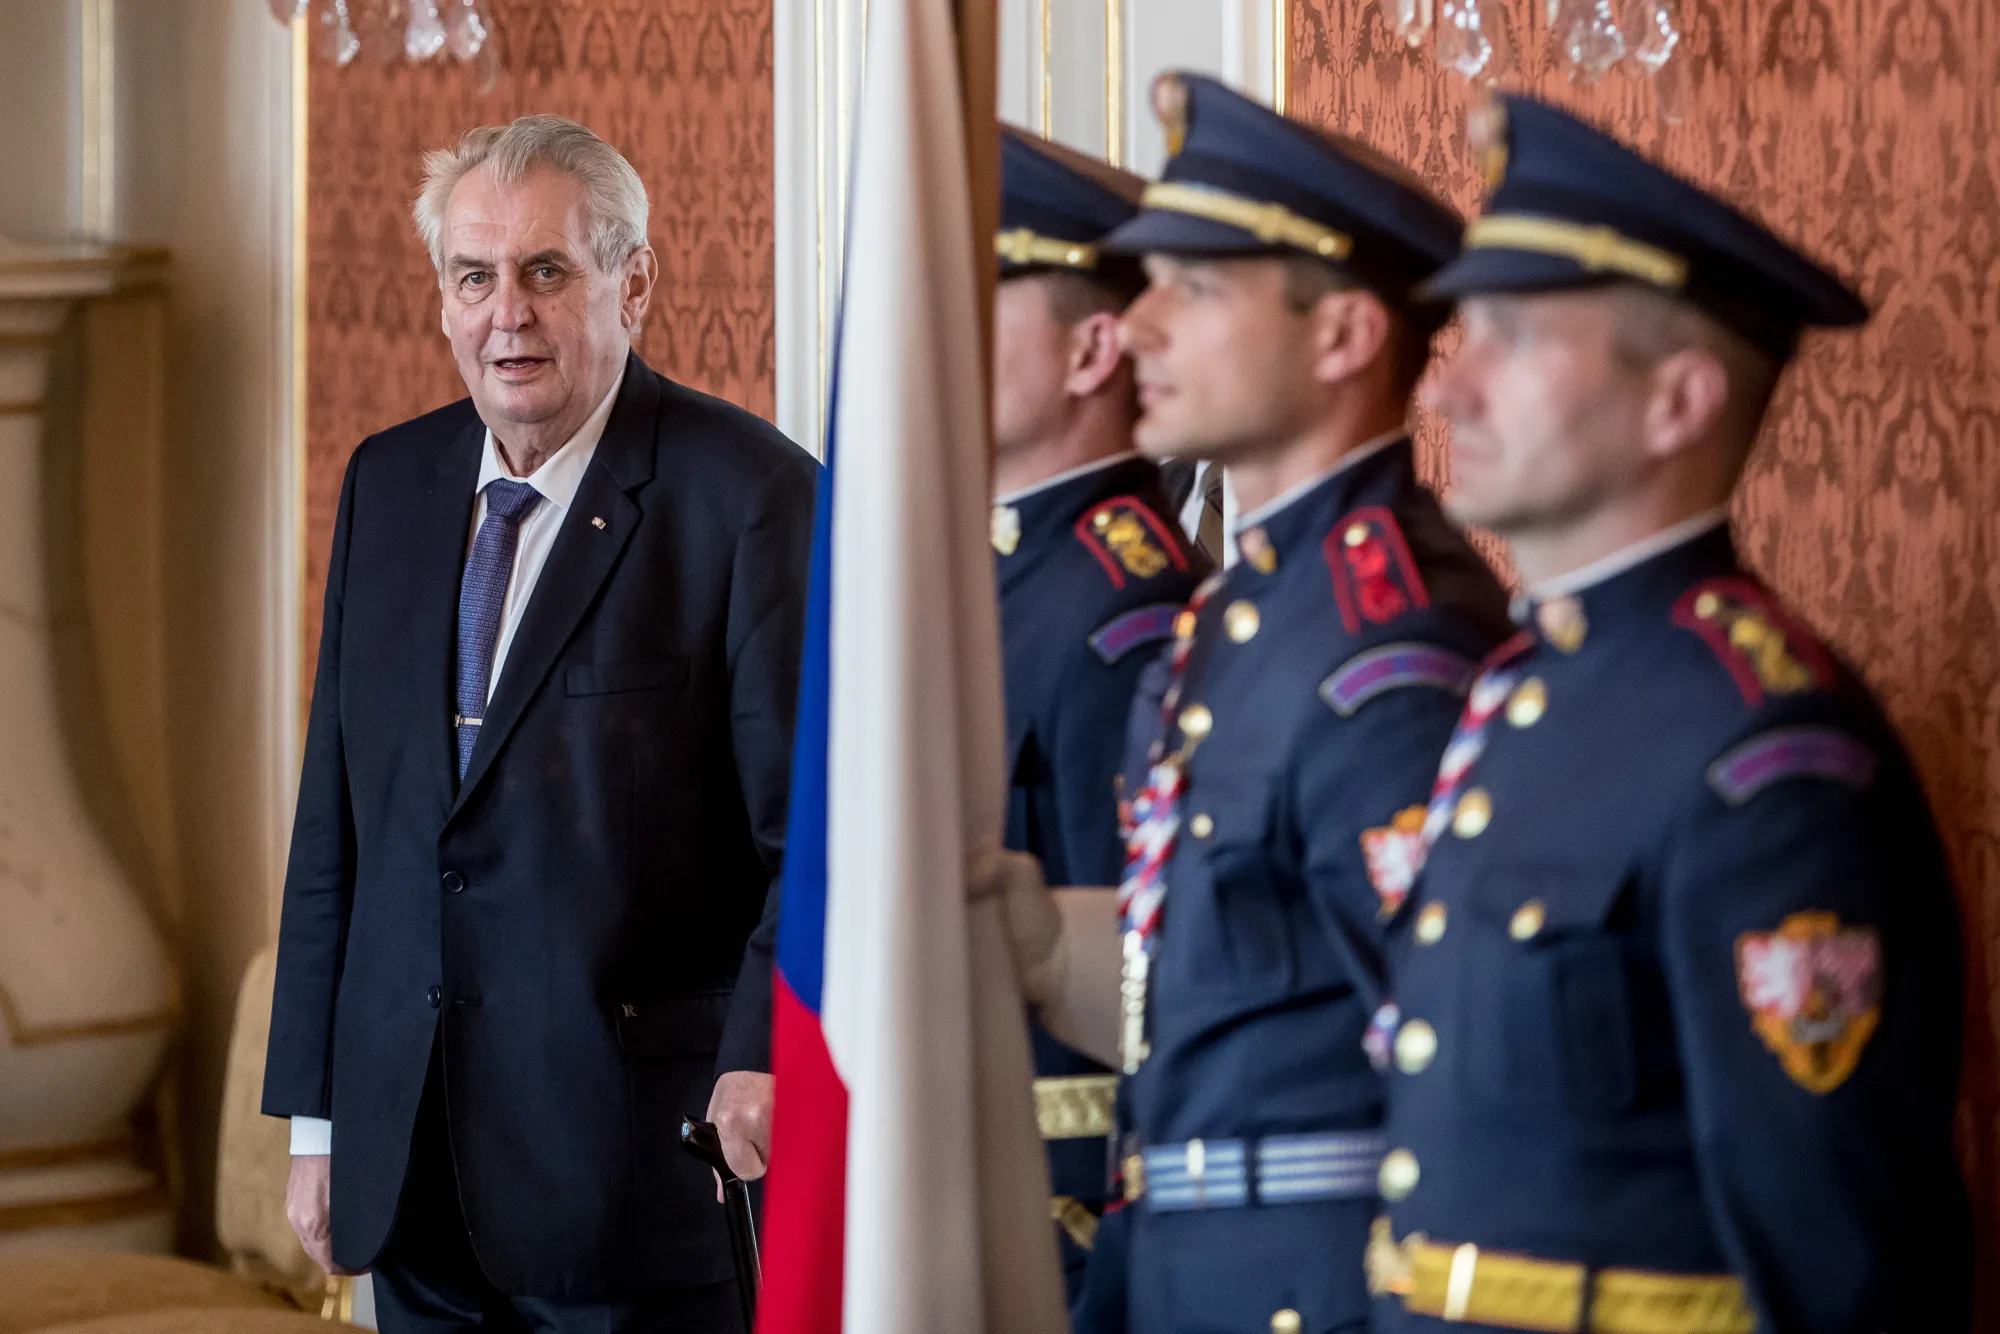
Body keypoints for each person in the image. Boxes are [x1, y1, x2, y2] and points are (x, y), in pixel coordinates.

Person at [1367, 94, 1971, 1333]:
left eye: (1512, 337)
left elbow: (1838, 1252)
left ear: (1676, 402)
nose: (1448, 389)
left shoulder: (1760, 752)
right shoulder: (1527, 692)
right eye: (1460, 332)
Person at [261, 115, 813, 1332]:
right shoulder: (388, 482)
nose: (504, 312)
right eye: (474, 276)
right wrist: (318, 1119)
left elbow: (806, 840)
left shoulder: (749, 497)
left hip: (631, 1177)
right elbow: (340, 822)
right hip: (411, 1172)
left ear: (633, 281)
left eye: (545, 271)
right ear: (444, 297)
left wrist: (762, 1061)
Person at [1082, 73, 1513, 1334]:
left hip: (1315, 1287)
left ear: (1340, 339)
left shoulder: (1390, 640)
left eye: (1193, 289)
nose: (1138, 327)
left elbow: (1450, 1076)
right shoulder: (1245, 607)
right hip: (1183, 1257)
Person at [987, 126, 1211, 1314]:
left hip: (1058, 1214)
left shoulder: (1123, 607)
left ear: (1089, 350)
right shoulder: (1000, 572)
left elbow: (1137, 977)